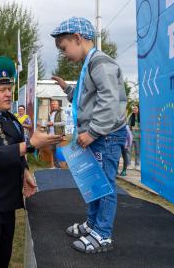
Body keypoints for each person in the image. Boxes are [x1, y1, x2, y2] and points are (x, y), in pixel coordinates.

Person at [0, 56, 63, 268]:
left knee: (2, 261)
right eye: (2, 90)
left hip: (7, 203)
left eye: (9, 88)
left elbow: (15, 150)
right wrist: (30, 145)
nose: (8, 93)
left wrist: (25, 171)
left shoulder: (10, 120)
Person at [51, 17, 127, 253]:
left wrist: (93, 131)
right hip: (99, 136)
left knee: (104, 185)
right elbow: (89, 99)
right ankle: (93, 224)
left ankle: (103, 234)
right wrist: (67, 88)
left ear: (78, 39)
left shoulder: (100, 62)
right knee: (94, 184)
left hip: (105, 136)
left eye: (64, 48)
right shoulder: (90, 65)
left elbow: (109, 99)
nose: (64, 54)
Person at [47, 99, 66, 168]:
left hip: (58, 135)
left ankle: (60, 166)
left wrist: (53, 124)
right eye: (52, 104)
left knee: (58, 151)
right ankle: (55, 166)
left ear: (58, 105)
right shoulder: (50, 112)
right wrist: (46, 124)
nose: (53, 105)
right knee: (53, 150)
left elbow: (64, 123)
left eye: (55, 104)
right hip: (50, 135)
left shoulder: (61, 112)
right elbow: (48, 123)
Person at [129, 104, 141, 170]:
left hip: (138, 137)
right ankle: (129, 164)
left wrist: (138, 128)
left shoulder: (141, 117)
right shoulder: (131, 116)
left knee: (138, 152)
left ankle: (137, 164)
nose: (134, 109)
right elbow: (128, 125)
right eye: (133, 108)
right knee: (129, 151)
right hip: (131, 137)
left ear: (139, 110)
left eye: (135, 108)